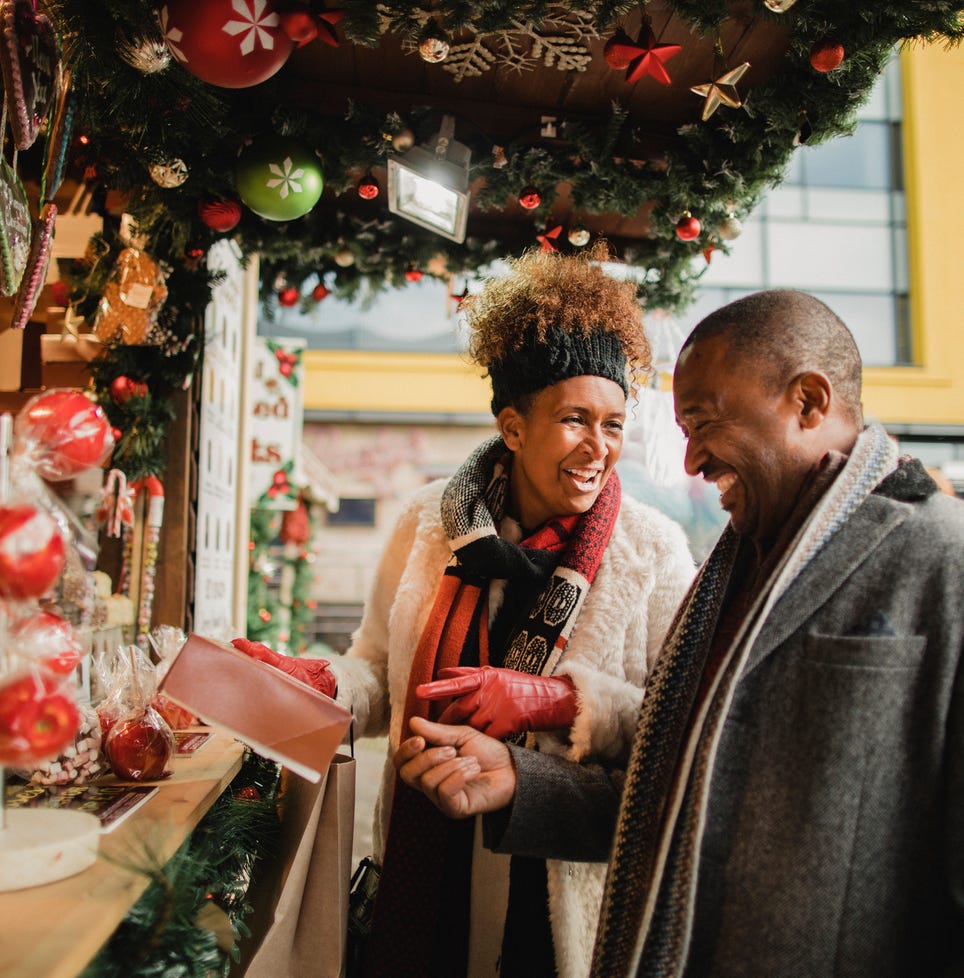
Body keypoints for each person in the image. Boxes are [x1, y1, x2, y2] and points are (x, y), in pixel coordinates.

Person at [394, 288, 964, 978]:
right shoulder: (735, 566)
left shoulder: (942, 558)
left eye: (702, 423)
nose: (690, 463)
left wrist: (554, 703)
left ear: (809, 402)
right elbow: (672, 789)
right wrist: (522, 779)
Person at [234, 246, 695, 978]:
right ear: (513, 427)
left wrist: (557, 702)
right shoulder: (428, 522)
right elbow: (383, 674)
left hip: (554, 910)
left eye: (613, 424)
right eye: (575, 419)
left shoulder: (654, 551)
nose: (599, 448)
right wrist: (320, 682)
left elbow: (683, 724)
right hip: (427, 868)